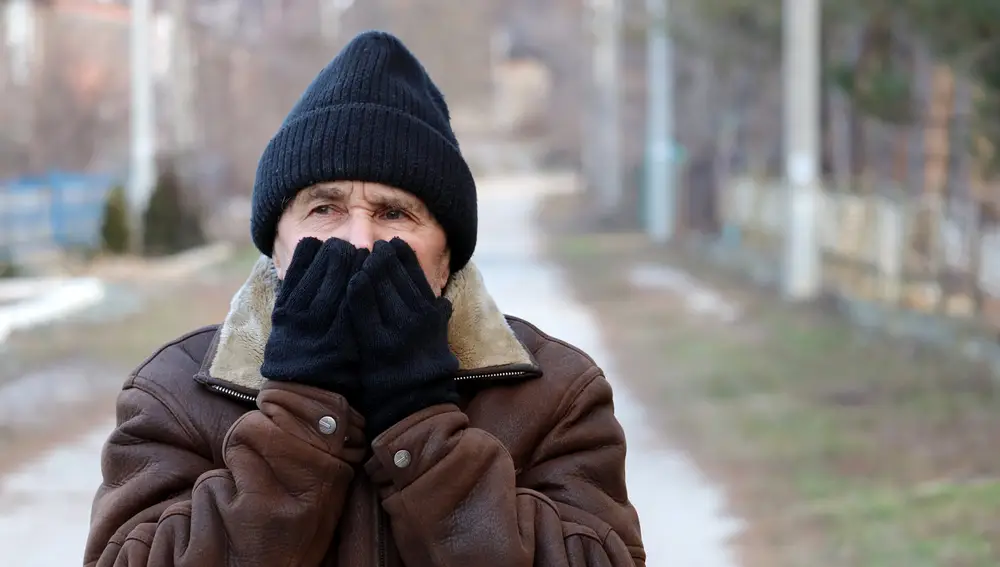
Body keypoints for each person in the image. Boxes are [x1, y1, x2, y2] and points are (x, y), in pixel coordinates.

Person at [84, 30, 645, 567]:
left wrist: (422, 424)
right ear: (275, 244)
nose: (358, 240)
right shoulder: (177, 395)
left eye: (394, 213)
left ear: (447, 253)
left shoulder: (556, 396)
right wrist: (300, 415)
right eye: (323, 209)